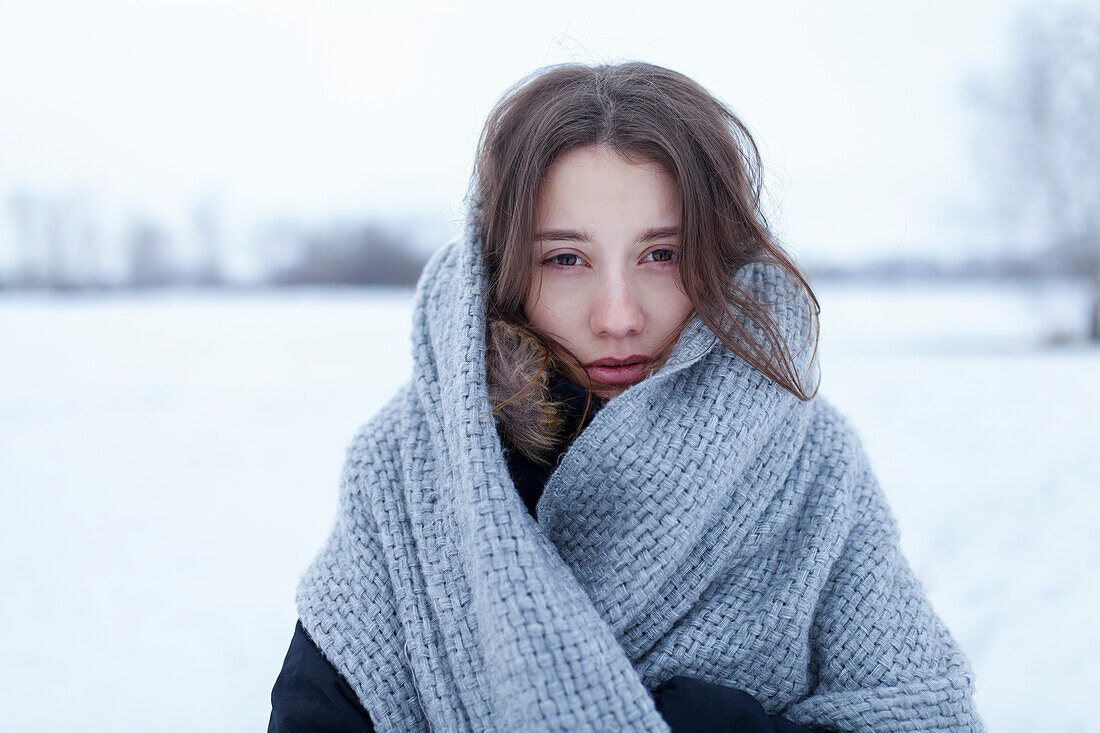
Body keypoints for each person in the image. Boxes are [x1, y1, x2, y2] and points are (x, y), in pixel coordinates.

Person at [268, 61, 985, 732]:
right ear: (502, 268)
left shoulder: (809, 464)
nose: (619, 315)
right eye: (566, 259)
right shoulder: (406, 470)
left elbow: (926, 715)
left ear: (719, 257)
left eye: (661, 255)